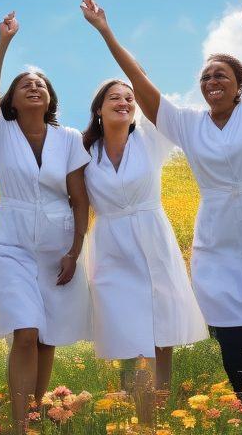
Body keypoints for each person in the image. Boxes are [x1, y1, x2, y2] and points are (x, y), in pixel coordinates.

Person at [80, 0, 242, 406]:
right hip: (218, 233)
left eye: (222, 75)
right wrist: (106, 32)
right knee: (227, 327)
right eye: (206, 77)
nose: (212, 82)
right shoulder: (187, 124)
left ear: (239, 86)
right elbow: (140, 84)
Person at [0, 11, 91, 433]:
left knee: (48, 339)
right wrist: (3, 43)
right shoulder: (0, 132)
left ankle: (36, 417)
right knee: (25, 333)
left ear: (50, 98)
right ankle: (19, 424)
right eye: (25, 84)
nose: (33, 86)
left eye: (40, 84)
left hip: (57, 249)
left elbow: (79, 199)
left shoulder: (69, 139)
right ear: (12, 99)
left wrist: (74, 251)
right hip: (10, 246)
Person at [79, 77, 207, 424]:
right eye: (114, 97)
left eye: (128, 97)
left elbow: (153, 98)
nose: (124, 101)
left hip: (153, 241)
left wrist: (108, 35)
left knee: (160, 333)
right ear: (99, 109)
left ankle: (156, 418)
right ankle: (141, 417)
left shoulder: (151, 139)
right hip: (110, 249)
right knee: (127, 334)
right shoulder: (84, 150)